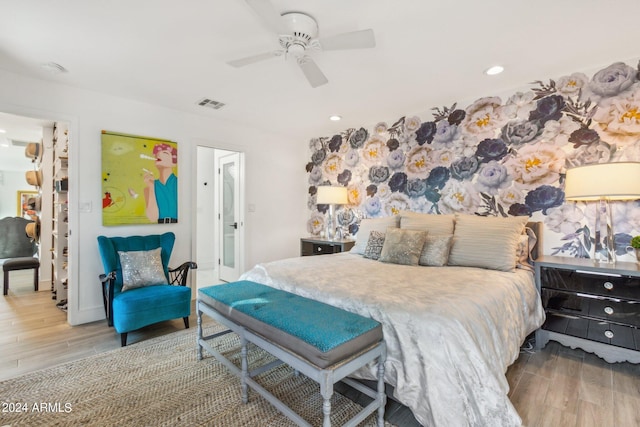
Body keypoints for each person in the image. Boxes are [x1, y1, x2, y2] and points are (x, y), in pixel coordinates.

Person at [143, 143, 178, 223]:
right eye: (157, 153)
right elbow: (153, 218)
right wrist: (151, 188)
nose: (158, 154)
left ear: (174, 163)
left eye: (165, 153)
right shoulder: (148, 188)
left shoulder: (179, 184)